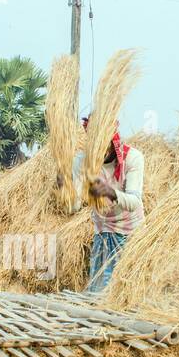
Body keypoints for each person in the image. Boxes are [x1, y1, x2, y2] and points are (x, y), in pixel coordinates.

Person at [69, 119, 145, 292]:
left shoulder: (132, 158)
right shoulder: (81, 161)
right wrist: (67, 193)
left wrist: (109, 192)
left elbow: (134, 202)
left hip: (130, 235)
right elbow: (74, 206)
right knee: (99, 291)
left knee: (126, 291)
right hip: (102, 233)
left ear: (111, 139)